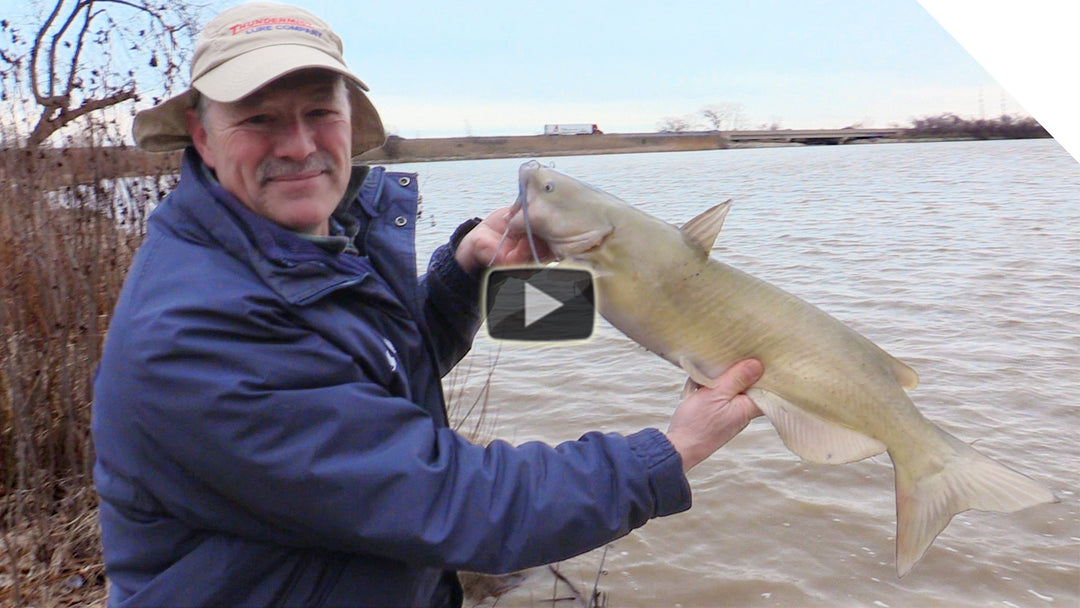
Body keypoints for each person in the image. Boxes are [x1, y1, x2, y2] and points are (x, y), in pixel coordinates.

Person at [92, 3, 764, 606]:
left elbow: (362, 382)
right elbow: (451, 502)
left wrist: (462, 274)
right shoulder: (193, 335)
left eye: (319, 111)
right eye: (258, 119)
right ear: (201, 135)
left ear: (350, 121)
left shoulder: (293, 246)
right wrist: (669, 452)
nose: (297, 145)